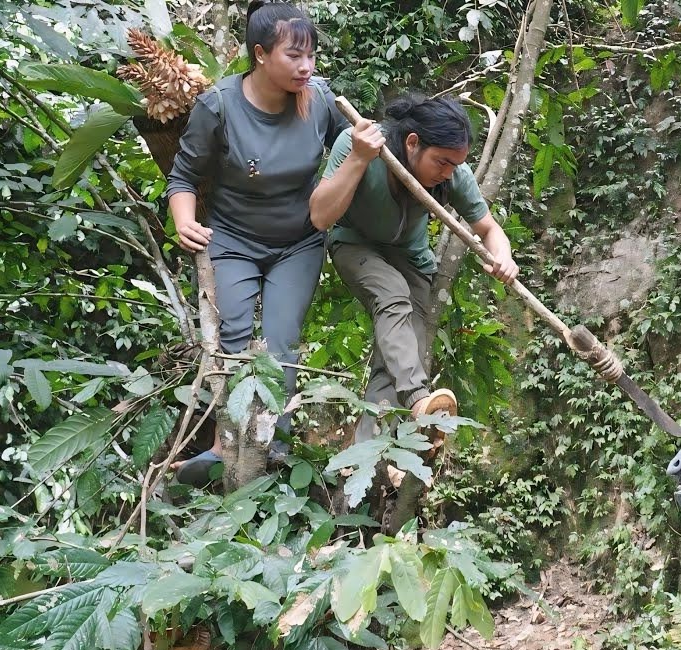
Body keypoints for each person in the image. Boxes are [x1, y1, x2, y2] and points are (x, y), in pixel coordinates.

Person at [167, 0, 349, 483]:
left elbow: (352, 151)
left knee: (281, 344)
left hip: (299, 243)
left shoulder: (322, 100)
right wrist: (184, 220)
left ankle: (274, 447)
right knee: (231, 343)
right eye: (294, 56)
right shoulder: (219, 104)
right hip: (233, 240)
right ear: (261, 54)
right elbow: (182, 177)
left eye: (311, 55)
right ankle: (223, 447)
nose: (306, 66)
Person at [309, 94, 518, 454]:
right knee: (391, 296)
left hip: (412, 260)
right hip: (355, 245)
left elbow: (488, 228)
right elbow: (320, 217)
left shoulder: (453, 172)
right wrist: (359, 158)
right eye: (442, 162)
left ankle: (372, 458)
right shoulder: (359, 142)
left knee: (403, 354)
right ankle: (420, 400)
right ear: (412, 143)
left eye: (455, 165)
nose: (448, 172)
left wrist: (504, 256)